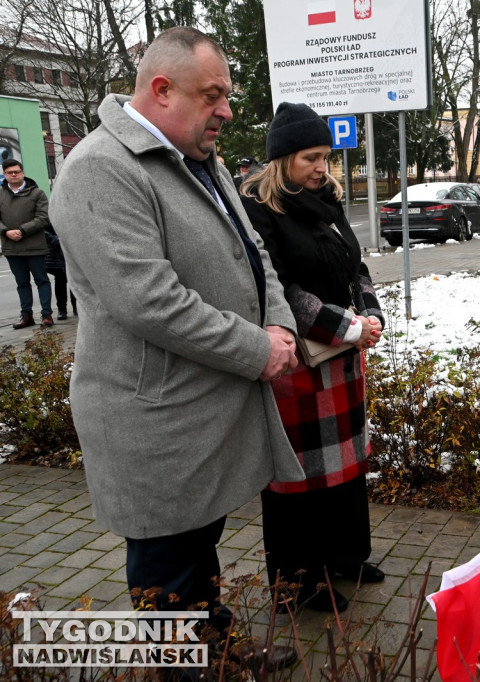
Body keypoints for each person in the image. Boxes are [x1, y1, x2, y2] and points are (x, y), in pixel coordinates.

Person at [47, 27, 301, 671]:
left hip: (200, 409)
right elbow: (149, 301)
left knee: (198, 544)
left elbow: (254, 254)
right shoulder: (100, 169)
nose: (227, 110)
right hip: (154, 419)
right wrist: (257, 349)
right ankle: (182, 666)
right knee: (167, 560)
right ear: (161, 89)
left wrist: (280, 325)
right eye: (213, 95)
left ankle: (215, 647)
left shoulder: (198, 158)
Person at [241, 102, 385, 613]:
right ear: (282, 159)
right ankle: (298, 584)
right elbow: (279, 288)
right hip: (298, 363)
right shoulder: (261, 211)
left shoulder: (327, 201)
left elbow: (355, 265)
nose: (322, 167)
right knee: (299, 480)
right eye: (310, 158)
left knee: (346, 470)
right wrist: (349, 327)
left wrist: (371, 312)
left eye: (326, 156)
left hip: (342, 358)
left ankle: (345, 556)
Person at [1, 158, 53, 329]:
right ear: (4, 174)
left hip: (35, 246)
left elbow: (43, 217)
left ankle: (46, 315)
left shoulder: (37, 193)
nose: (13, 175)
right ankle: (26, 316)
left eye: (16, 171)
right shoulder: (0, 194)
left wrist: (23, 230)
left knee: (41, 281)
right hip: (12, 248)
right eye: (9, 172)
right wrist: (6, 231)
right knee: (22, 283)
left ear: (23, 173)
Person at [44, 222, 76, 320]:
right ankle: (62, 309)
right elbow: (42, 228)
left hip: (72, 245)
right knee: (60, 280)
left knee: (75, 279)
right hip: (56, 250)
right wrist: (53, 239)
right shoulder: (48, 214)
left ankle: (76, 307)